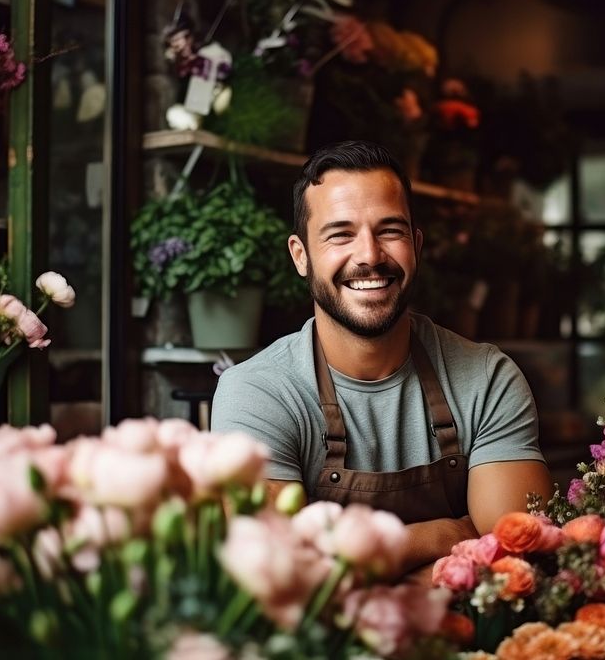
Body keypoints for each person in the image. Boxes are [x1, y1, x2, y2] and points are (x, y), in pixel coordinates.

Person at [210, 139, 552, 577]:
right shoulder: (258, 392)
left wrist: (355, 564)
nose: (369, 256)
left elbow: (518, 558)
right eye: (341, 234)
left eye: (390, 230)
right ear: (301, 256)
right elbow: (281, 573)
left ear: (416, 244)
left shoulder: (487, 378)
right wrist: (445, 534)